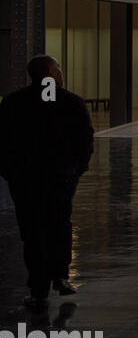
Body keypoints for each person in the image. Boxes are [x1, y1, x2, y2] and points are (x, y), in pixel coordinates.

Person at [0, 56, 94, 305]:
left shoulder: (14, 102)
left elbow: (3, 141)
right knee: (60, 225)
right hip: (61, 177)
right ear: (51, 72)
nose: (61, 73)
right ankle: (61, 276)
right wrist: (78, 169)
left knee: (32, 232)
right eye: (59, 68)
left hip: (25, 179)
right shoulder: (71, 102)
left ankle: (38, 287)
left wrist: (9, 172)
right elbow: (85, 139)